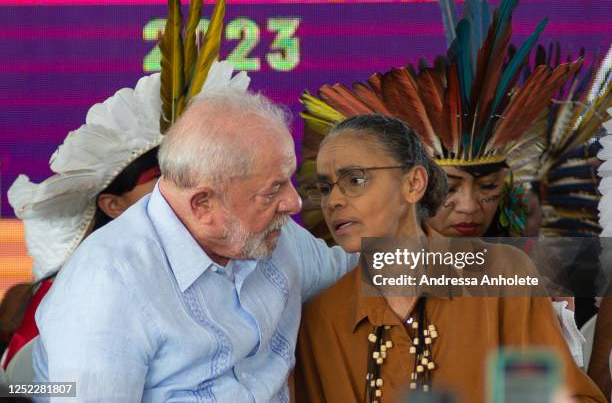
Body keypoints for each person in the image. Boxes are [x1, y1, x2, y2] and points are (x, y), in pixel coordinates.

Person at [32, 89, 357, 401]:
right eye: (272, 191)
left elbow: (361, 273)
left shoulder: (272, 234)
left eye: (288, 179)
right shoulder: (107, 287)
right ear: (203, 205)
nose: (294, 202)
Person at [294, 114, 606, 402]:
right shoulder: (323, 319)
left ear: (413, 183)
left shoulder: (499, 275)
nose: (333, 200)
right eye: (324, 187)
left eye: (355, 180)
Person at [1, 73, 163, 370]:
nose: (181, 189)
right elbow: (18, 389)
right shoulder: (67, 289)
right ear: (112, 204)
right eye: (159, 178)